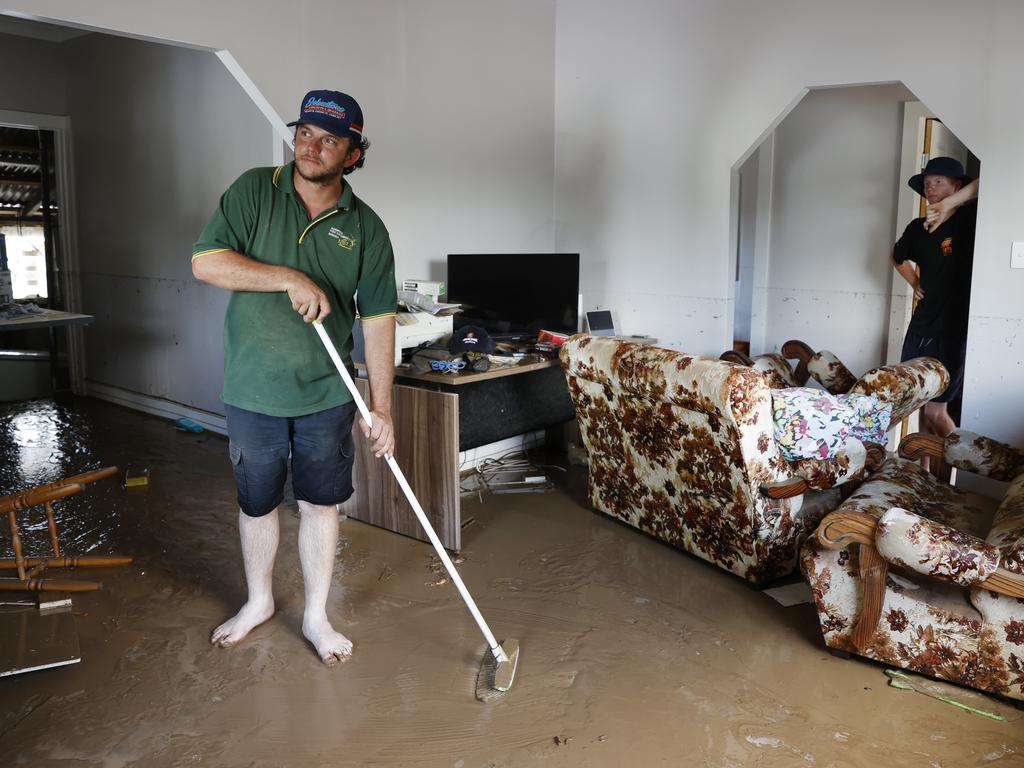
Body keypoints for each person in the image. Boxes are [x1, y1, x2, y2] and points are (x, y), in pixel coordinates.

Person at [191, 90, 397, 665]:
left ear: (353, 155)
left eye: (330, 139)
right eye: (305, 132)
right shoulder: (256, 189)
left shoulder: (367, 228)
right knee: (256, 502)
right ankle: (258, 601)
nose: (312, 146)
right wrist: (287, 278)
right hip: (253, 386)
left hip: (328, 392)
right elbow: (206, 262)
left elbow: (380, 320)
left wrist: (381, 409)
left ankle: (315, 614)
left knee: (319, 503)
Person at [892, 156, 979, 448]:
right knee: (917, 400)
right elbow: (897, 257)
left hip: (952, 330)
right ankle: (923, 470)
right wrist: (915, 284)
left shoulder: (969, 221)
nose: (931, 188)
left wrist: (949, 204)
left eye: (939, 182)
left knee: (936, 409)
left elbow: (996, 178)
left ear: (957, 185)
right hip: (920, 327)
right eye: (928, 183)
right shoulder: (918, 227)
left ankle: (965, 465)